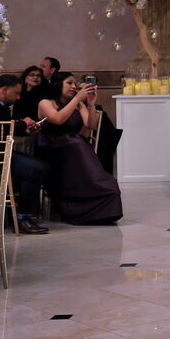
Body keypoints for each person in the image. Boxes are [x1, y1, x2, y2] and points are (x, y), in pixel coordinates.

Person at [37, 72, 122, 225]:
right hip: (52, 148)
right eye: (69, 83)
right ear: (57, 84)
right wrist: (77, 98)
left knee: (77, 142)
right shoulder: (45, 103)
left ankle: (101, 191)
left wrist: (90, 104)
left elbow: (91, 125)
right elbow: (58, 119)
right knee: (76, 142)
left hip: (74, 148)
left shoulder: (78, 104)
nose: (73, 86)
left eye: (74, 83)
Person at [0, 75, 51, 234]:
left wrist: (25, 127)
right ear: (4, 90)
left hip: (1, 151)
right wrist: (22, 124)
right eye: (16, 93)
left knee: (42, 165)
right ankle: (24, 217)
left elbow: (5, 128)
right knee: (34, 169)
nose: (18, 97)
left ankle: (27, 212)